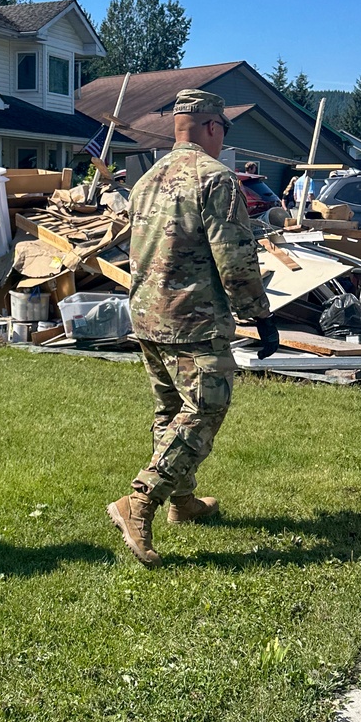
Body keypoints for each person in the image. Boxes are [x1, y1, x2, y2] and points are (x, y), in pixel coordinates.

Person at [107, 89, 278, 567]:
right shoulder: (216, 179)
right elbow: (236, 258)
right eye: (222, 131)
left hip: (146, 315)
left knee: (170, 412)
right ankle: (140, 500)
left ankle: (183, 503)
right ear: (212, 128)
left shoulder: (146, 181)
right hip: (194, 320)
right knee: (206, 407)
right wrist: (260, 316)